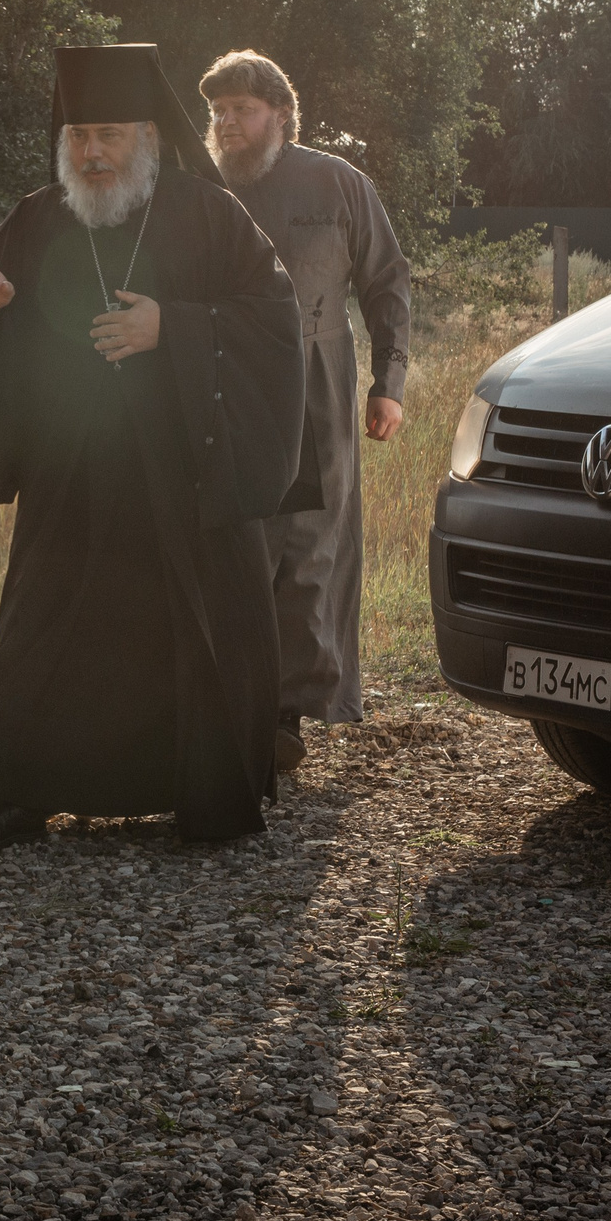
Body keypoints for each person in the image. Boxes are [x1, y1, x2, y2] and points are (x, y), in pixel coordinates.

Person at [0, 42, 308, 852]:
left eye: (107, 134)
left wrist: (172, 325)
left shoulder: (207, 213)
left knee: (186, 627)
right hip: (71, 474)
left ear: (146, 135)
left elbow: (275, 319)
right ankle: (18, 792)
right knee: (47, 627)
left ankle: (201, 790)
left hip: (184, 470)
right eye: (77, 137)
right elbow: (2, 334)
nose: (91, 153)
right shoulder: (37, 217)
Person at [199, 50, 412, 771]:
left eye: (243, 111)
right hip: (225, 379)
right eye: (219, 112)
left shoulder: (338, 183)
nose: (228, 124)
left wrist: (390, 383)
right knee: (237, 542)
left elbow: (387, 282)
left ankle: (287, 711)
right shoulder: (199, 189)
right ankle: (231, 702)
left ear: (281, 116)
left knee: (311, 547)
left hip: (317, 380)